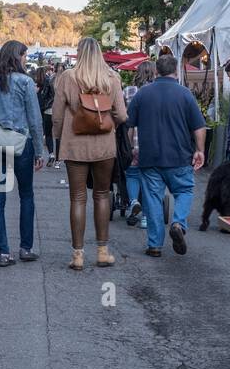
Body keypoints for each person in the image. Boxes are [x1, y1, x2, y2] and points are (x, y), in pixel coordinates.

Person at [53, 36, 128, 270]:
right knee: (102, 194)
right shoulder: (111, 78)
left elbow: (56, 115)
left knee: (77, 198)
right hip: (104, 145)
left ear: (79, 53)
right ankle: (102, 252)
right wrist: (107, 120)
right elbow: (122, 115)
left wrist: (57, 137)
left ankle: (77, 255)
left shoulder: (67, 77)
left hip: (75, 144)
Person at [128, 53, 206, 258]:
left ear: (156, 71)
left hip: (149, 156)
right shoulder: (185, 94)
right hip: (179, 155)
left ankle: (154, 245)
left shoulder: (142, 94)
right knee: (185, 191)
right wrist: (200, 150)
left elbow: (130, 126)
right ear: (176, 71)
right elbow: (199, 127)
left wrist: (132, 149)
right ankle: (178, 223)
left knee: (153, 198)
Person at [0, 40, 46, 266]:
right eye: (25, 56)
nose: (26, 60)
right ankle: (25, 247)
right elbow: (35, 119)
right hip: (22, 142)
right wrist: (40, 150)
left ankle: (3, 252)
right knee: (26, 195)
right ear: (18, 56)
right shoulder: (26, 82)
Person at [122, 60, 157, 223]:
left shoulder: (128, 91)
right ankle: (145, 218)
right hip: (152, 142)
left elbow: (121, 115)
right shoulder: (157, 91)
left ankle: (133, 201)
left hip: (132, 140)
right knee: (149, 178)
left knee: (132, 173)